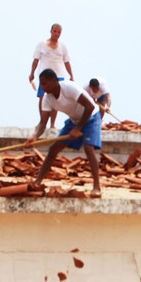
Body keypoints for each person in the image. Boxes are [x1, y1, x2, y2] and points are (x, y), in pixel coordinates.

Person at [27, 69, 102, 197]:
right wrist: (35, 136)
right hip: (74, 120)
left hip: (91, 116)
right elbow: (43, 123)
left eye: (45, 83)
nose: (43, 87)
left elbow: (89, 106)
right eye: (41, 84)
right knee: (54, 149)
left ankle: (97, 187)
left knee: (89, 148)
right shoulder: (47, 99)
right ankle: (38, 181)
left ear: (54, 81)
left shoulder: (68, 87)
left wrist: (78, 128)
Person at [29, 23, 74, 129]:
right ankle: (42, 122)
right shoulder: (42, 44)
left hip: (58, 76)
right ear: (51, 31)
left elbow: (67, 62)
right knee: (42, 98)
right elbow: (36, 60)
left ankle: (52, 124)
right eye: (55, 31)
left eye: (59, 32)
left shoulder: (63, 47)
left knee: (56, 99)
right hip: (44, 75)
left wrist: (71, 75)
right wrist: (31, 74)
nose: (56, 34)